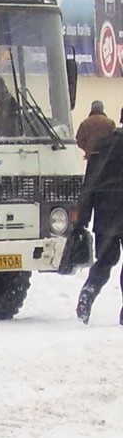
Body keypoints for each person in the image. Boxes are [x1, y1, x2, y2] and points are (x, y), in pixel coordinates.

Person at [75, 126, 123, 324]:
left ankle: (88, 292)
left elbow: (90, 185)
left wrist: (81, 220)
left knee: (104, 261)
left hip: (105, 217)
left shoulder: (101, 147)